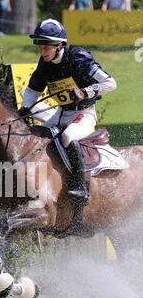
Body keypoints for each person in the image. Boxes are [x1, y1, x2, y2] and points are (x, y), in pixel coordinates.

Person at [20, 19, 117, 206]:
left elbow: (111, 83)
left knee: (68, 136)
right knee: (39, 136)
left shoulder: (79, 58)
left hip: (84, 114)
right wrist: (25, 109)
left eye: (46, 47)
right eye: (40, 47)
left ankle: (80, 188)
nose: (42, 52)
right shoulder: (44, 63)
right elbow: (32, 91)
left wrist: (85, 92)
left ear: (60, 45)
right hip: (61, 113)